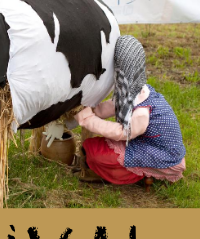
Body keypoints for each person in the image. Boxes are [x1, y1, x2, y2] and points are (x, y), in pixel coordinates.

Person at [74, 35, 185, 185]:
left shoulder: (142, 111)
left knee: (97, 155)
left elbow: (122, 132)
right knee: (92, 146)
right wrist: (89, 108)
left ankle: (133, 173)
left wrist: (88, 119)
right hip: (144, 142)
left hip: (161, 154)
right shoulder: (135, 91)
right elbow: (112, 106)